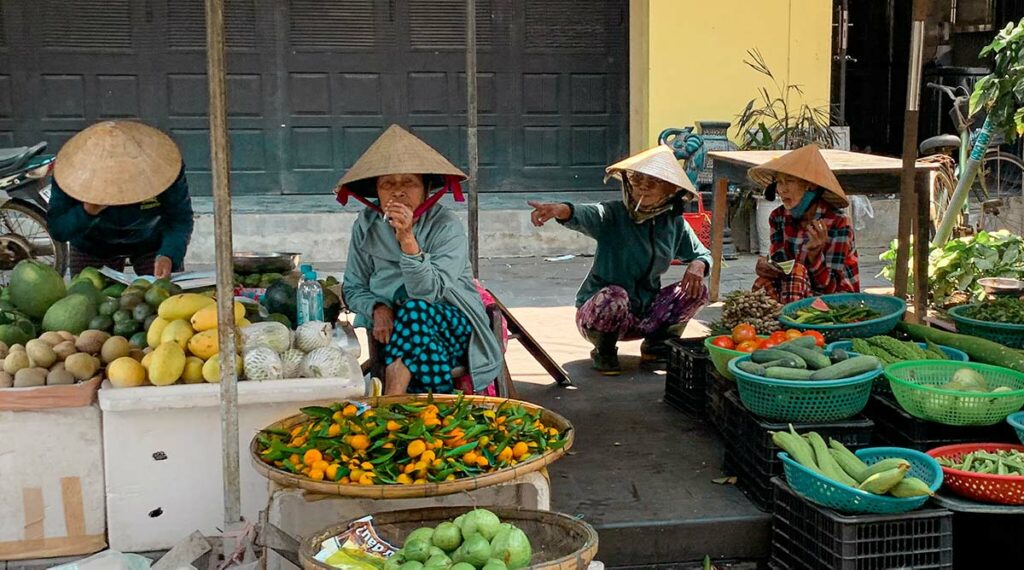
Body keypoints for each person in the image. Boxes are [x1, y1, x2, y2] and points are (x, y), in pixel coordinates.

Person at [338, 125, 503, 395]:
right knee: (423, 346)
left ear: (426, 189)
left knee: (416, 310)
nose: (398, 192)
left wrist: (408, 241)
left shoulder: (446, 226)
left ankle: (391, 399)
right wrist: (377, 307)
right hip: (396, 332)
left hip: (454, 325)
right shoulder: (366, 225)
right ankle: (440, 407)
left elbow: (428, 293)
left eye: (409, 183)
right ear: (377, 192)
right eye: (388, 184)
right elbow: (353, 287)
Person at [528, 145, 712, 375]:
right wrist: (561, 210)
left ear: (670, 190)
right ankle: (603, 351)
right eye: (637, 179)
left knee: (696, 291)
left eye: (653, 181)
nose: (643, 186)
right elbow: (586, 214)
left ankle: (656, 346)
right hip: (601, 314)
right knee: (615, 295)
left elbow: (702, 254)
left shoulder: (674, 224)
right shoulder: (613, 214)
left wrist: (698, 264)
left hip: (646, 313)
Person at [47, 121, 194, 279]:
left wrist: (169, 254)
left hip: (151, 242)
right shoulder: (69, 172)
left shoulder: (164, 168)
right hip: (93, 245)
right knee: (88, 298)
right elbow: (58, 229)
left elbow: (180, 219)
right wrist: (86, 211)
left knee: (166, 298)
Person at [749, 144, 860, 303]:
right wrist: (766, 266)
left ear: (811, 185)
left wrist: (815, 256)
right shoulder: (778, 217)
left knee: (797, 272)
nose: (782, 189)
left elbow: (830, 287)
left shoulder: (838, 223)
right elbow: (781, 264)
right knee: (762, 282)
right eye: (779, 182)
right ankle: (783, 322)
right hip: (796, 291)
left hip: (837, 300)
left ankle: (792, 324)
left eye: (789, 181)